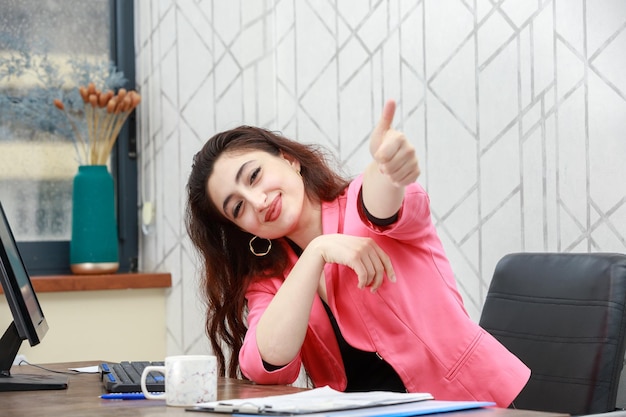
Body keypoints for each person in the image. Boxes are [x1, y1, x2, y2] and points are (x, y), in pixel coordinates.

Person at [186, 99, 530, 407]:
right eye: (238, 208)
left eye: (255, 176)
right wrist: (317, 252)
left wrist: (388, 168)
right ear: (242, 229)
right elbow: (269, 363)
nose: (258, 202)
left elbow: (380, 202)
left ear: (290, 161)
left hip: (473, 403)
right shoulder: (269, 279)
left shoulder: (357, 203)